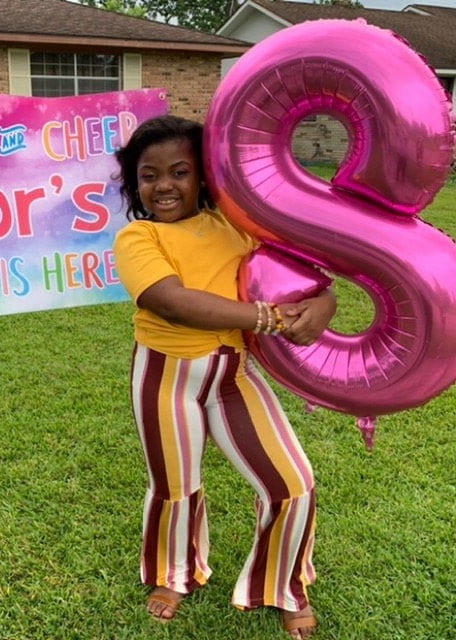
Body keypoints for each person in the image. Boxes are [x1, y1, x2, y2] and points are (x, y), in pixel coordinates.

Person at [112, 115, 336, 639]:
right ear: (134, 183)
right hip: (164, 377)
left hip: (234, 375)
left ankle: (284, 585)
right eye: (148, 175)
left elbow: (304, 273)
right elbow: (171, 301)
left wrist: (325, 301)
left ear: (204, 177)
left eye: (180, 171)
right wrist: (268, 318)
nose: (164, 185)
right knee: (175, 487)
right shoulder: (136, 236)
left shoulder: (235, 227)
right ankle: (175, 573)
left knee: (294, 483)